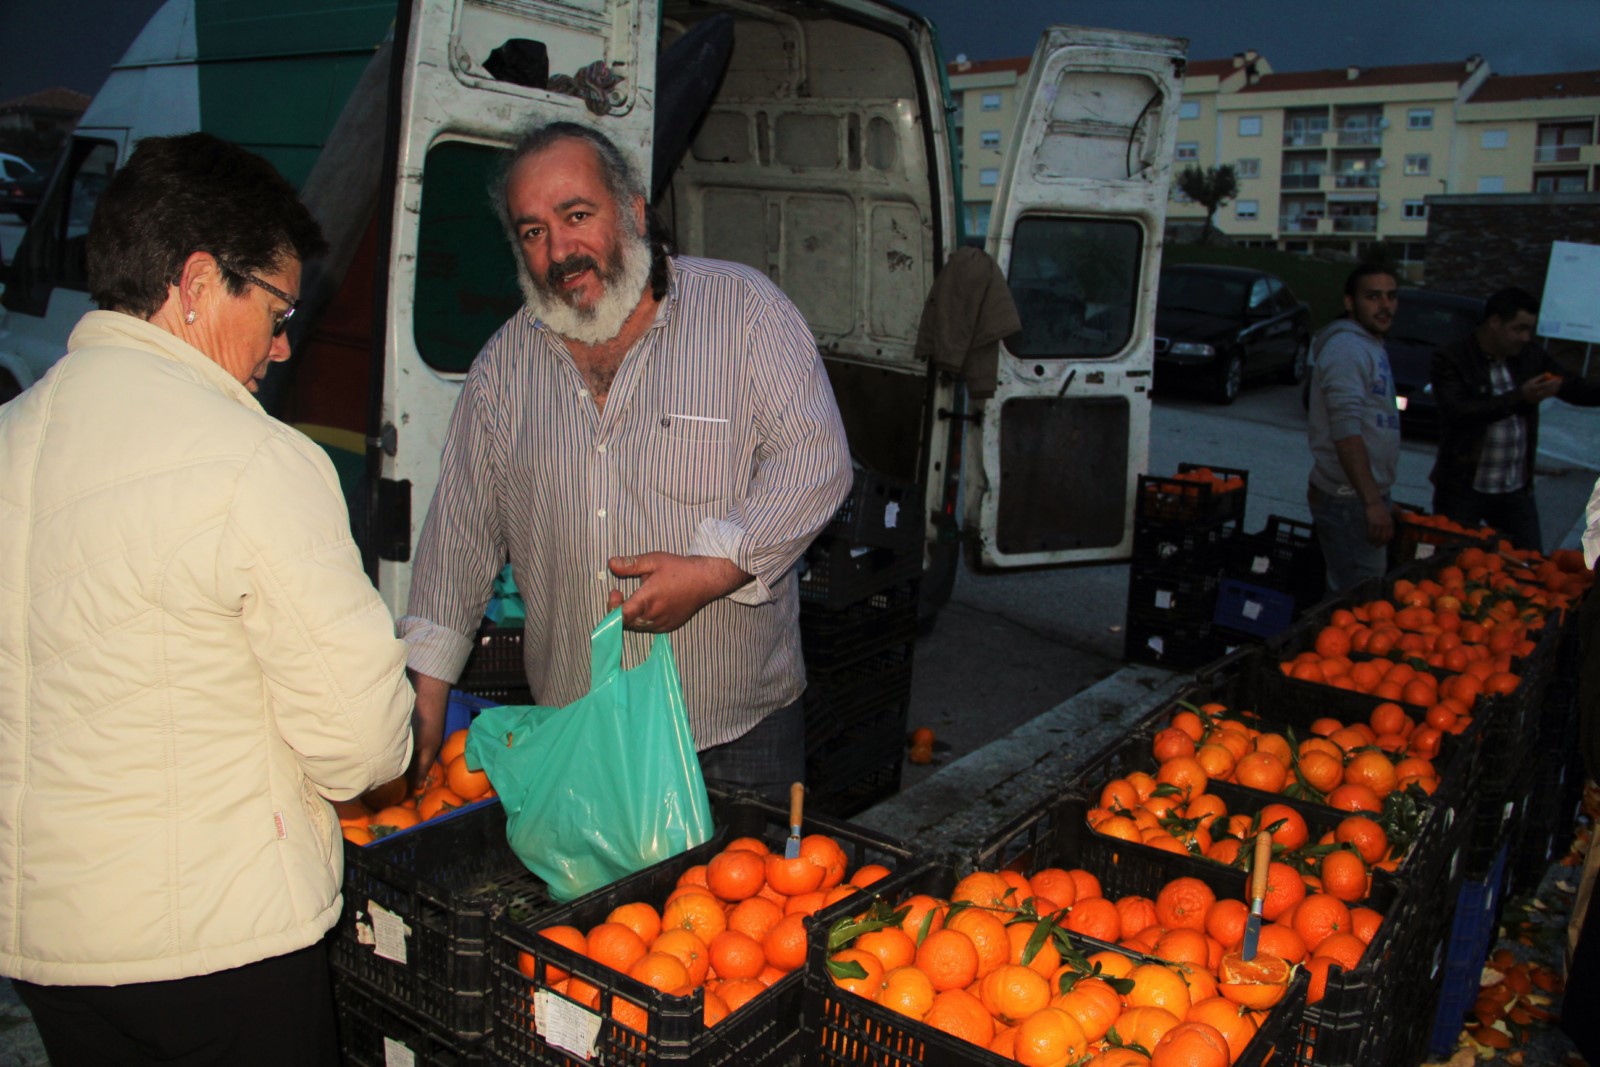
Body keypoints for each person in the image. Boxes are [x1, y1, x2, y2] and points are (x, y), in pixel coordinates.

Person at [0, 134, 415, 1065]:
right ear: (195, 282)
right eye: (276, 307)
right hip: (220, 951)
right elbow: (360, 744)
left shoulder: (11, 437)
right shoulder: (254, 460)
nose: (280, 343)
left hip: (44, 945)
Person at [401, 122, 851, 805]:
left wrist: (711, 570)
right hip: (579, 735)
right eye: (532, 231)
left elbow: (815, 461)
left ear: (634, 211)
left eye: (577, 216)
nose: (558, 250)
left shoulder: (744, 313)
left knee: (746, 909)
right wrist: (425, 691)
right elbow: (460, 533)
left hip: (731, 737)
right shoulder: (503, 368)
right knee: (599, 917)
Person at [1430, 286, 1600, 550]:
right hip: (1463, 488)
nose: (1525, 337)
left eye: (1529, 330)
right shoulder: (1453, 358)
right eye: (1518, 329)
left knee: (1529, 562)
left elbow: (1574, 387)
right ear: (1495, 322)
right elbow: (1459, 412)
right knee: (1449, 559)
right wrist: (1521, 397)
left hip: (1514, 488)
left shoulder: (1529, 356)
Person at [1305, 263, 1403, 593]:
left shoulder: (1369, 344)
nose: (1384, 305)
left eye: (1391, 296)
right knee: (1357, 600)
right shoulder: (1347, 349)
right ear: (1350, 302)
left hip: (1361, 495)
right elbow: (1346, 431)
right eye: (1373, 297)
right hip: (1349, 499)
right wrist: (1372, 502)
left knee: (1353, 592)